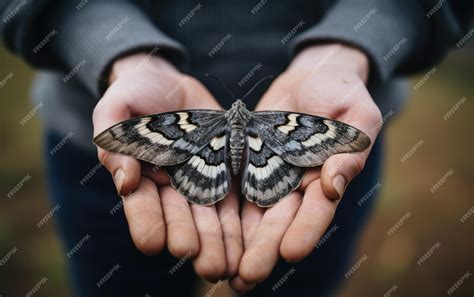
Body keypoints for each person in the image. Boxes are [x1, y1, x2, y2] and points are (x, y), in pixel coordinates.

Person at [1, 0, 470, 296]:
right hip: (92, 153)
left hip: (290, 157)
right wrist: (123, 54)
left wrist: (351, 50)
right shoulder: (279, 125)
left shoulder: (193, 125)